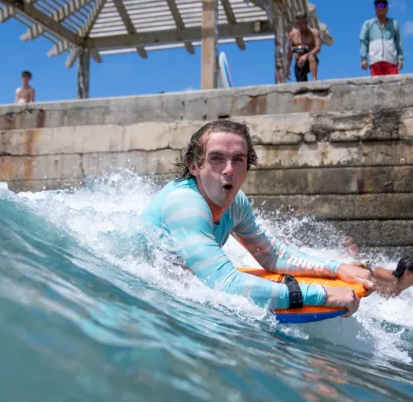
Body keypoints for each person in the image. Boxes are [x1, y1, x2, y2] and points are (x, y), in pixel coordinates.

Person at [140, 119, 378, 317]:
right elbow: (224, 283)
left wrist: (336, 269)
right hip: (144, 302)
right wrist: (321, 295)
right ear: (194, 167)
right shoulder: (184, 204)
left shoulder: (236, 203)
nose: (229, 169)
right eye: (216, 158)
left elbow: (272, 256)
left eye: (238, 159)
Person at [359, 0, 404, 76]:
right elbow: (364, 42)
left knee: (394, 83)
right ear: (375, 8)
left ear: (387, 8)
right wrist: (363, 59)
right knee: (376, 83)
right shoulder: (368, 24)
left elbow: (398, 42)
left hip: (391, 62)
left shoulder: (394, 23)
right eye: (378, 5)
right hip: (375, 62)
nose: (380, 8)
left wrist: (400, 58)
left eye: (383, 5)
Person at [286, 12, 321, 82]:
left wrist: (306, 56)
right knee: (301, 83)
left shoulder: (314, 32)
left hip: (311, 60)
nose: (303, 25)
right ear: (297, 23)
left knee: (311, 57)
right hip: (299, 62)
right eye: (301, 24)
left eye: (305, 23)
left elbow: (318, 48)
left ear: (307, 22)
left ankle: (315, 80)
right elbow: (290, 53)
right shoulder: (292, 35)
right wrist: (287, 68)